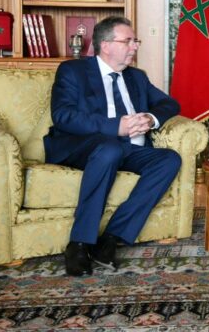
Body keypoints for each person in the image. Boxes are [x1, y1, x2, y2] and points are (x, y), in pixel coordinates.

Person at [43, 16, 181, 276]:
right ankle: (79, 243)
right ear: (105, 45)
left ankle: (111, 237)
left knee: (169, 159)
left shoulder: (136, 77)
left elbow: (170, 104)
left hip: (130, 148)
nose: (134, 46)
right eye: (128, 41)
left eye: (135, 41)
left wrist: (150, 119)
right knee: (110, 148)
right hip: (84, 147)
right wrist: (115, 127)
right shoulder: (73, 71)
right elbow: (63, 115)